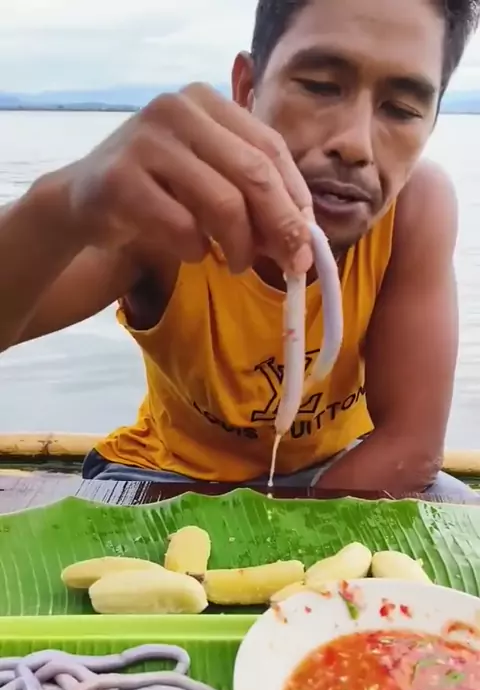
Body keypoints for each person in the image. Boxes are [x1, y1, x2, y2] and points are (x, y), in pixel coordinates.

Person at [0, 0, 478, 498]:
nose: (356, 145)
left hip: (334, 470)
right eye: (320, 86)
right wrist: (60, 207)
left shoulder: (415, 210)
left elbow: (410, 445)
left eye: (402, 110)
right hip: (171, 474)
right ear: (248, 88)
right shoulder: (168, 211)